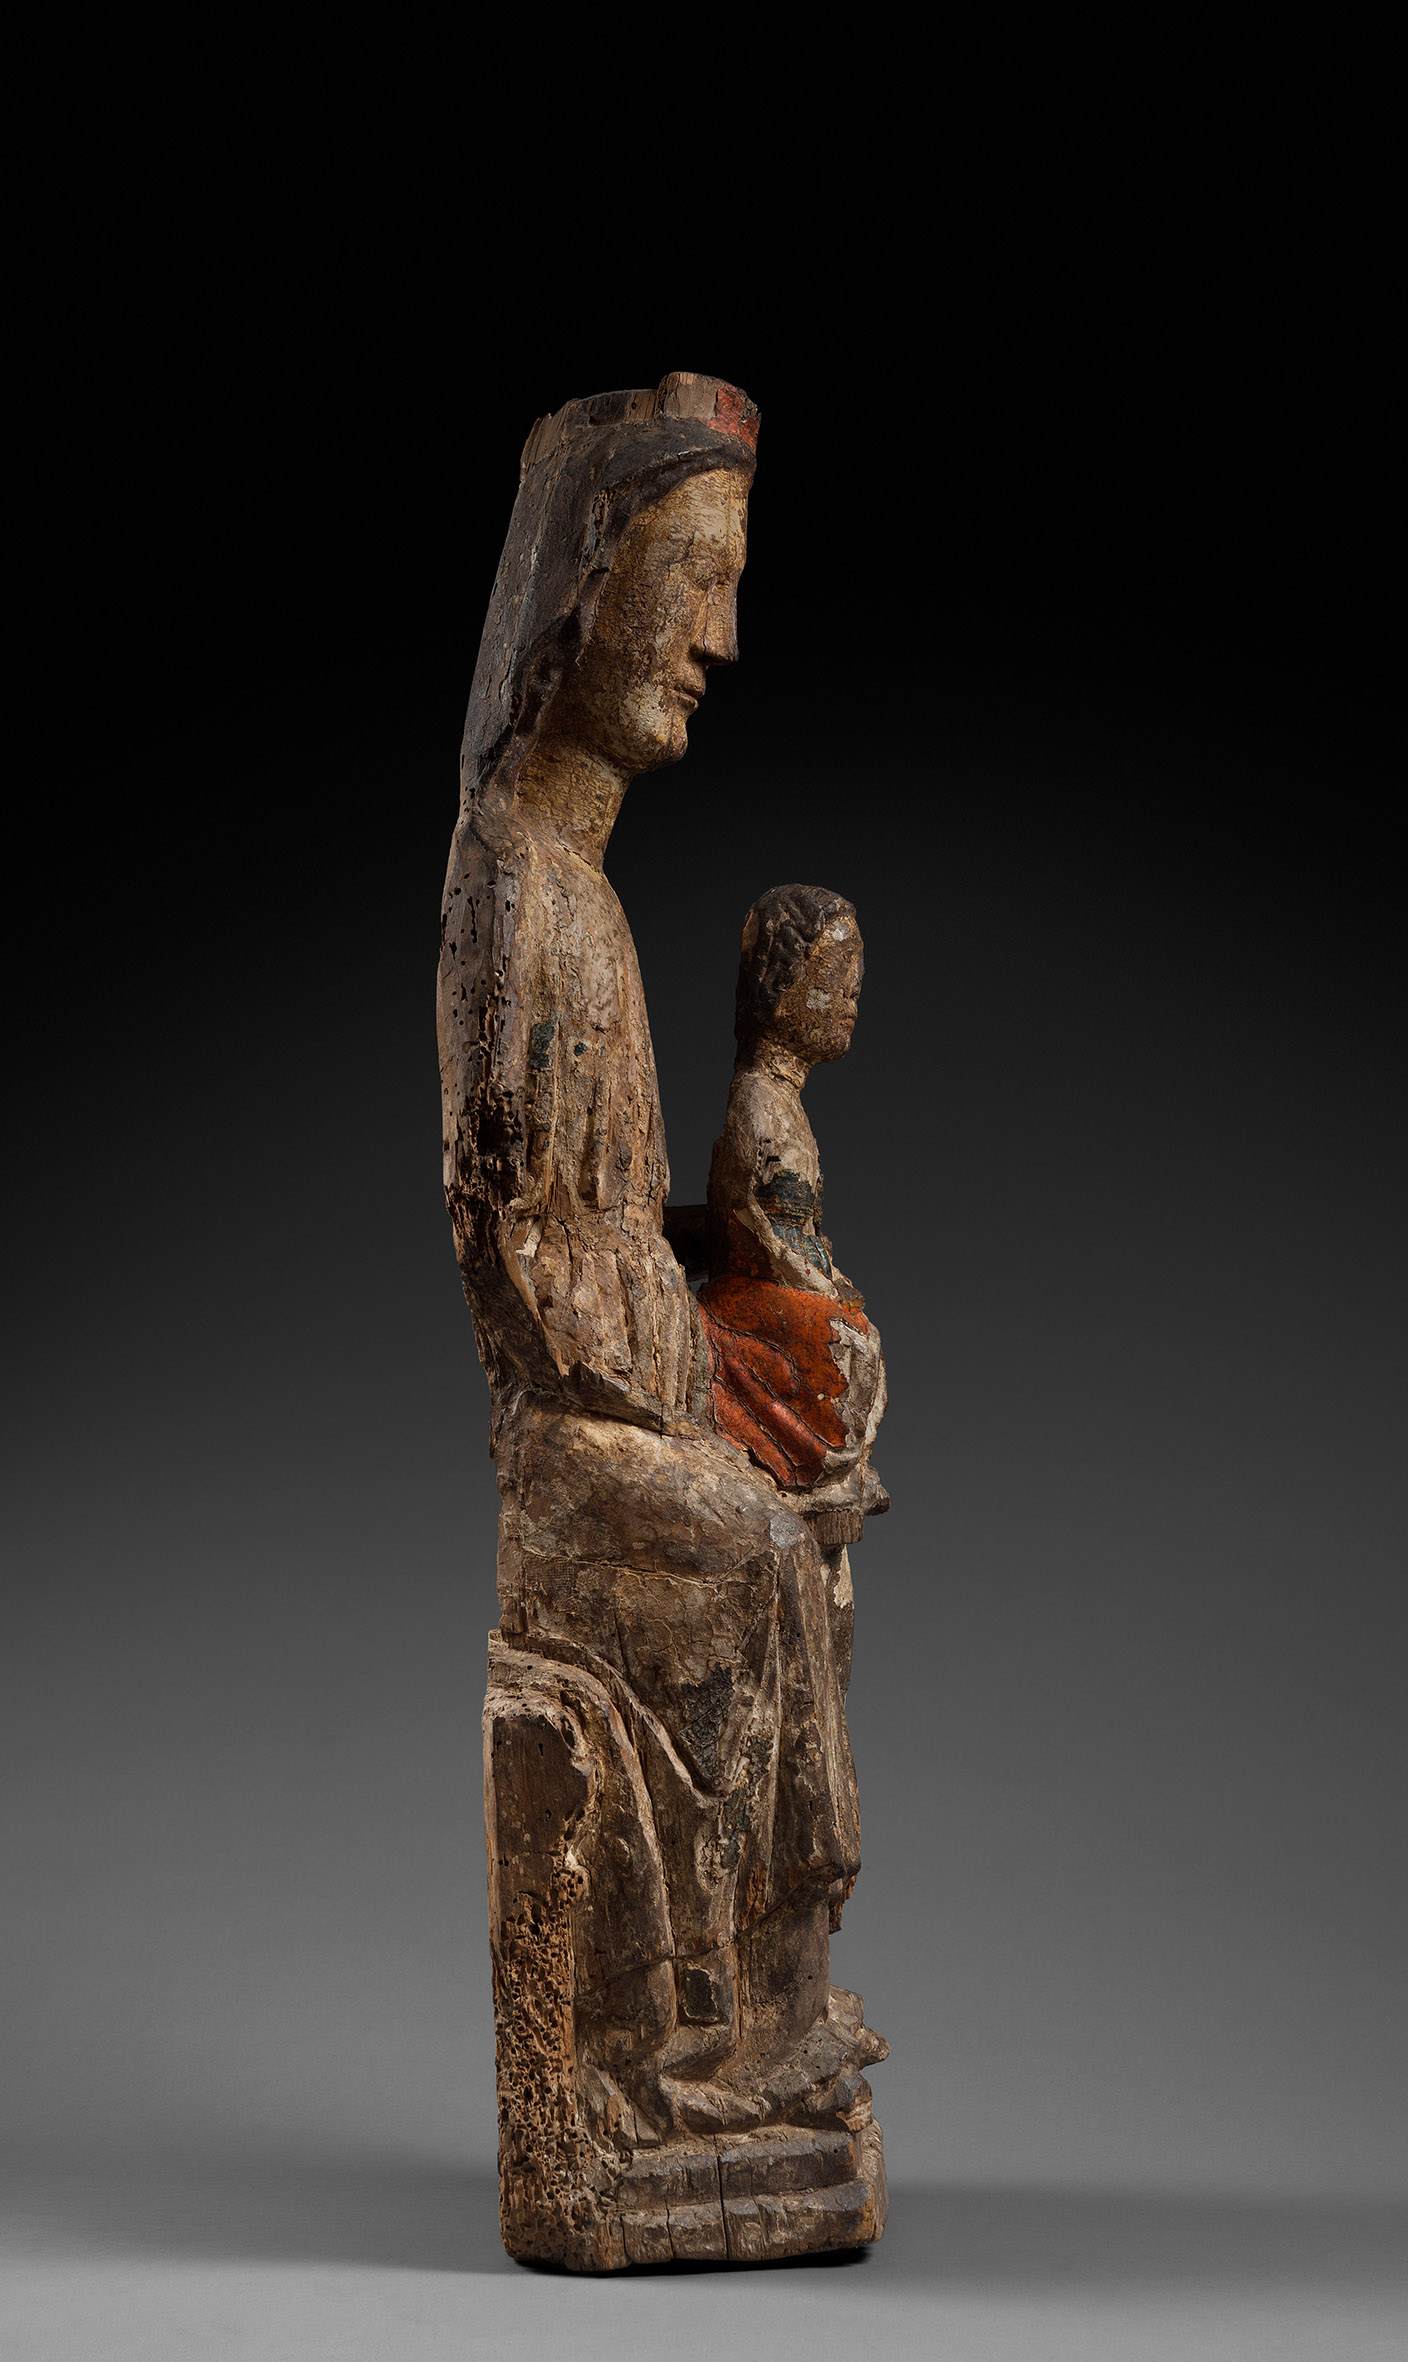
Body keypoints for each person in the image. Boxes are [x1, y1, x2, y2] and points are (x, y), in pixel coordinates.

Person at [438, 379, 883, 2172]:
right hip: (570, 1431)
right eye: (693, 578)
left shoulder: (585, 897)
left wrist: (711, 1301)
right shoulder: (517, 892)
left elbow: (612, 1216)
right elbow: (519, 1248)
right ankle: (682, 2051)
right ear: (583, 582)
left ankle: (768, 2001)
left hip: (631, 1382)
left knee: (813, 1525)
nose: (722, 636)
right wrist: (693, 1379)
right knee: (762, 1543)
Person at [700, 885, 889, 1542]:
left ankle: (825, 1474)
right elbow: (769, 1236)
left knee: (852, 1331)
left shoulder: (780, 1102)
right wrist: (826, 1286)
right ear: (779, 990)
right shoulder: (763, 1108)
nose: (850, 1000)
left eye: (853, 984)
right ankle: (811, 1469)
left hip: (764, 1280)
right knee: (849, 1339)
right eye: (833, 980)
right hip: (749, 1293)